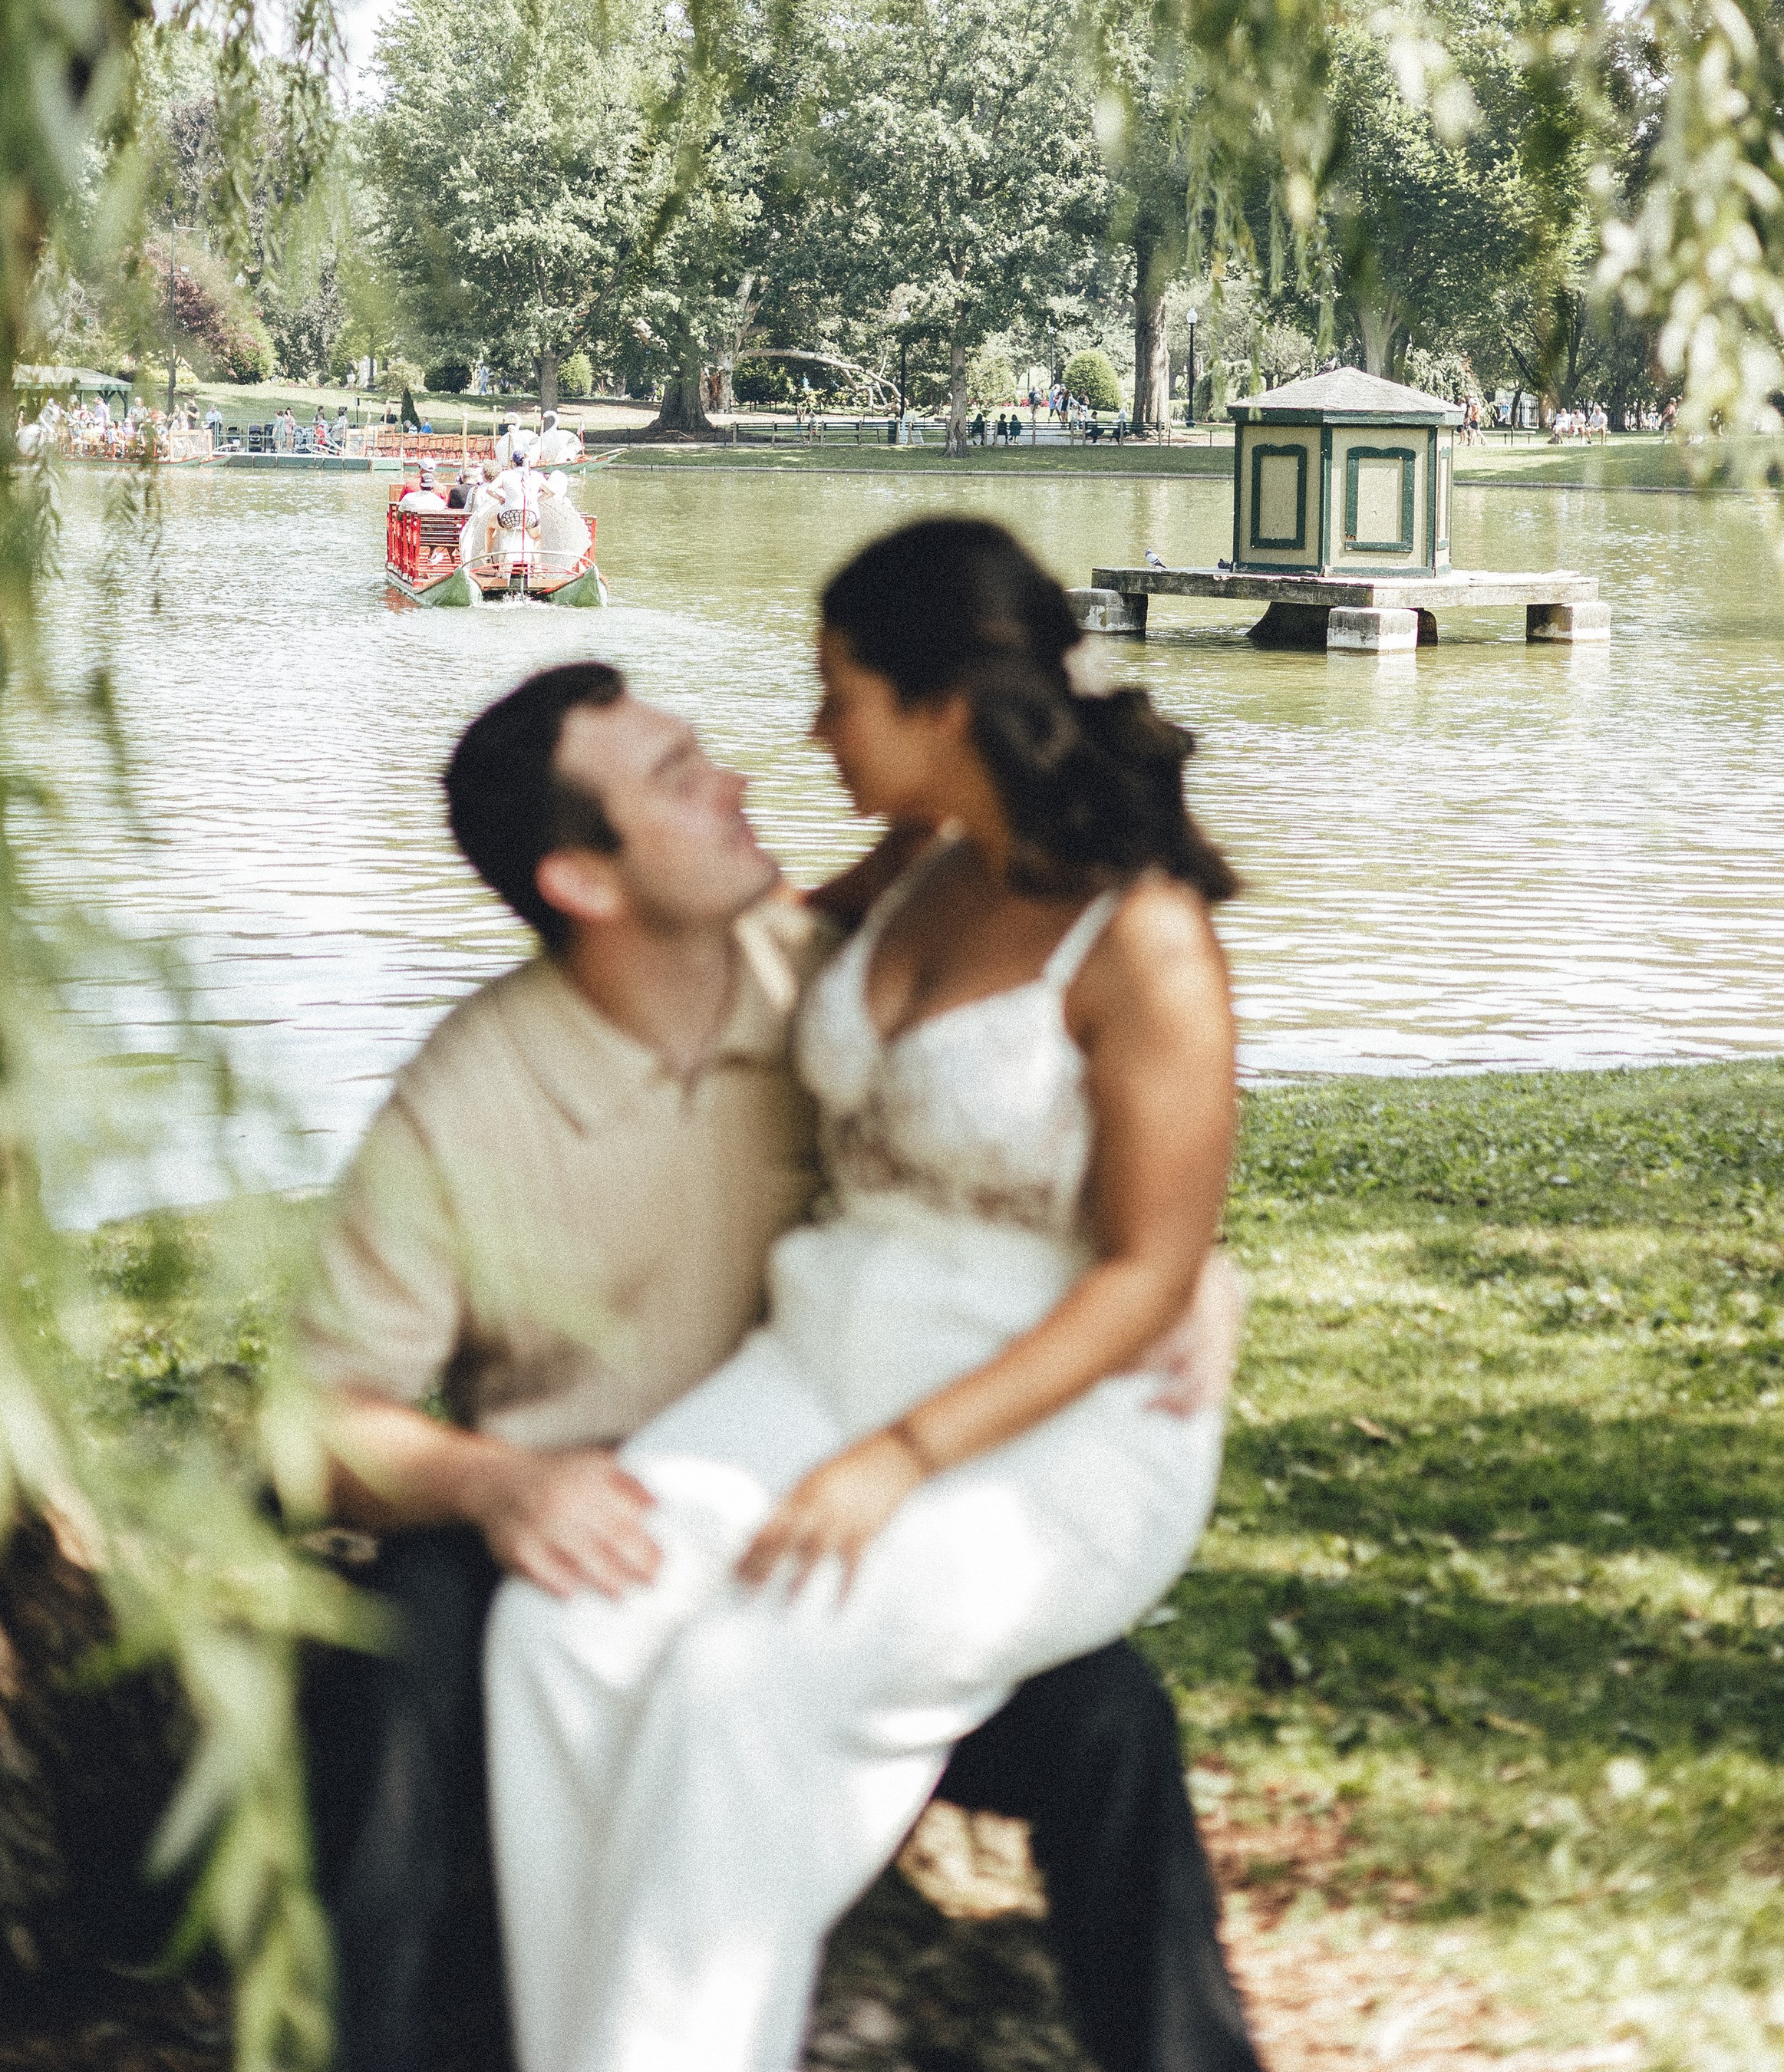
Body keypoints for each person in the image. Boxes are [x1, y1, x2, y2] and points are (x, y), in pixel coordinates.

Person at [294, 642, 1258, 2072]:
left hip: (832, 1498)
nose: (741, 775)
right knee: (398, 1653)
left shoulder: (833, 993)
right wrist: (497, 1486)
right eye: (681, 779)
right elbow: (316, 1423)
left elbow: (1062, 1095)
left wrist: (1193, 1274)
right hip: (578, 1519)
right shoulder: (459, 1105)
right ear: (584, 881)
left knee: (1105, 1713)